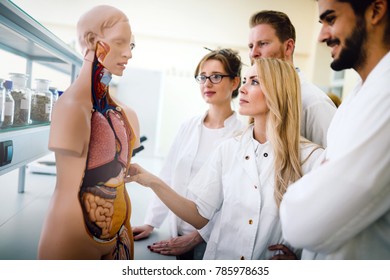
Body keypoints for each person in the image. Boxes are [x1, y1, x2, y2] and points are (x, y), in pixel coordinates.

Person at [127, 57, 324, 260]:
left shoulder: (311, 159)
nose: (244, 89)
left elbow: (325, 229)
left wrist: (301, 260)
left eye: (254, 82)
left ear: (279, 91)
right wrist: (152, 182)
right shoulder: (229, 149)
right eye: (246, 80)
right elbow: (200, 215)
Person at [280, 0, 390, 259]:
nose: (321, 36)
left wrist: (316, 181)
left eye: (330, 19)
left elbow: (303, 224)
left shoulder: (385, 94)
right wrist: (323, 178)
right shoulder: (359, 95)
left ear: (375, 11)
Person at [38, 5, 140, 260]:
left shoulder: (124, 112)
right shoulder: (72, 108)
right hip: (72, 243)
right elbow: (67, 191)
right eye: (119, 42)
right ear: (93, 41)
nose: (128, 54)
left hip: (119, 240)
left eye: (132, 46)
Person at [132, 48, 245, 259]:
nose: (207, 83)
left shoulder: (242, 136)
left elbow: (233, 202)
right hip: (175, 233)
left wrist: (197, 237)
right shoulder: (189, 126)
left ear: (235, 82)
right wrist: (151, 222)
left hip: (212, 243)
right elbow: (167, 176)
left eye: (216, 76)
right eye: (202, 77)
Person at [248, 10, 336, 147]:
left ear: (288, 47)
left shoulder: (314, 103)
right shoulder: (258, 98)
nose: (253, 53)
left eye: (263, 43)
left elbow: (330, 161)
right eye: (251, 46)